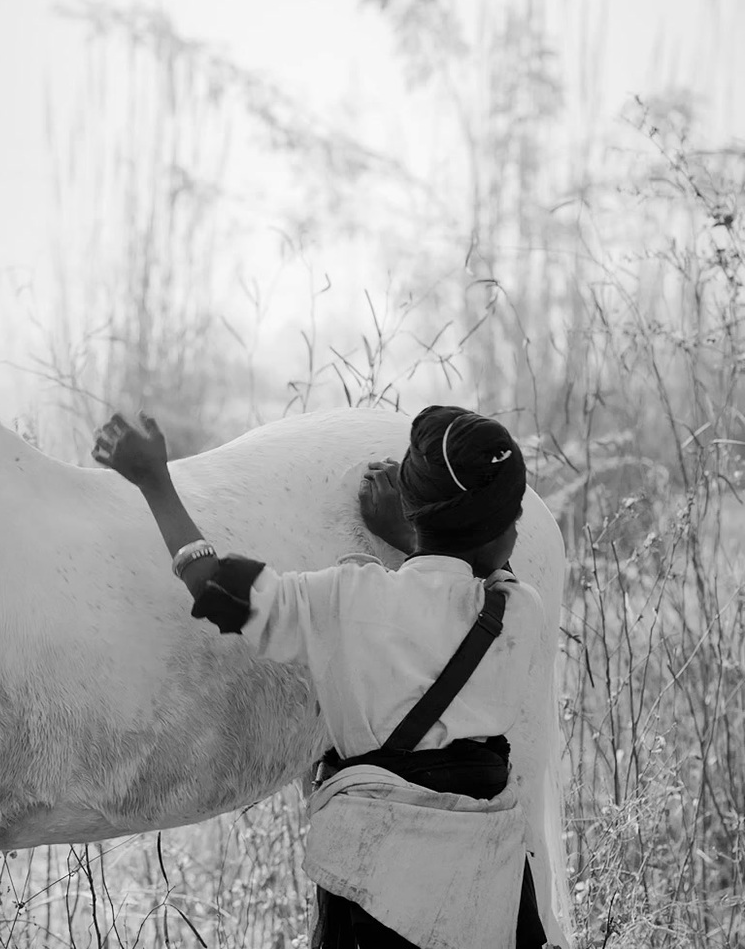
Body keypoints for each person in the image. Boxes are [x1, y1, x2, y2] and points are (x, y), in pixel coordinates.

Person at [92, 405, 551, 949]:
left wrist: (154, 482)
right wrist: (413, 536)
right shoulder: (518, 610)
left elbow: (214, 588)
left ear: (411, 506)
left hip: (375, 898)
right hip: (484, 895)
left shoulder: (346, 600)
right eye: (513, 519)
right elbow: (470, 580)